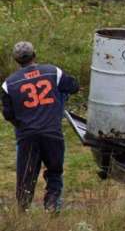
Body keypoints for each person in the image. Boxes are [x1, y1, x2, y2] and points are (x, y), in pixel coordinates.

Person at [1, 42, 79, 212]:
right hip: (52, 131)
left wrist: (21, 124)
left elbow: (8, 114)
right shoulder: (53, 71)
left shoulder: (9, 84)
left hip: (27, 136)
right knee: (54, 171)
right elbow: (74, 86)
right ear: (34, 54)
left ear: (16, 60)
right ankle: (52, 205)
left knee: (26, 175)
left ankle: (22, 211)